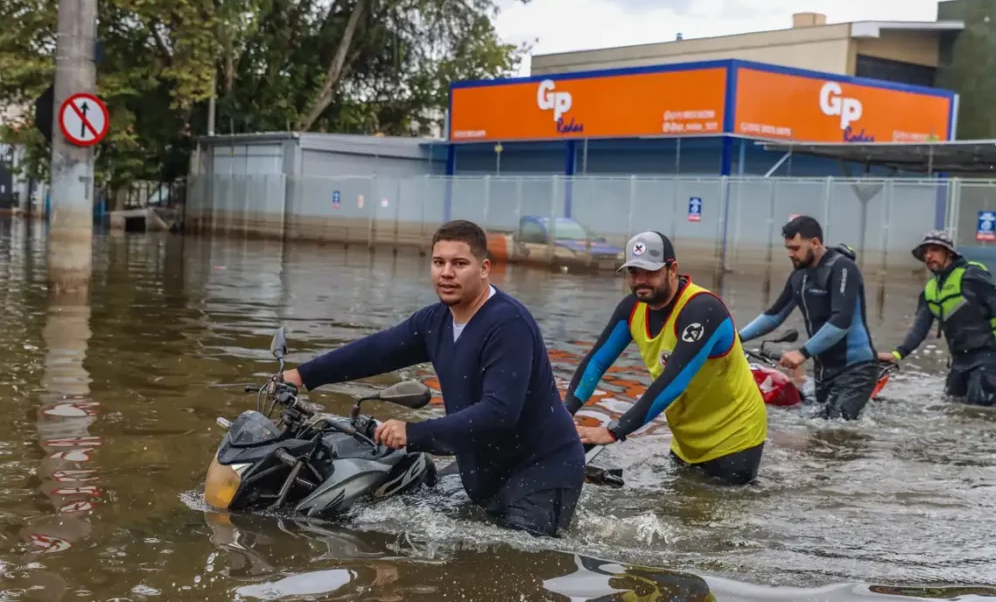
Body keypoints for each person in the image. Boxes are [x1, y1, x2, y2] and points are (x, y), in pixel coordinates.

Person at [279, 220, 585, 537]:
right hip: (485, 470)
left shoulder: (508, 324)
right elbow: (375, 351)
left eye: (459, 263)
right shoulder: (434, 321)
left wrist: (413, 433)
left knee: (508, 569)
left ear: (484, 269)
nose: (446, 273)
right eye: (439, 262)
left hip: (540, 473)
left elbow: (499, 412)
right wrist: (302, 375)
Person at [565, 230, 767, 485]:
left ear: (672, 269)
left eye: (650, 272)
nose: (640, 281)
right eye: (634, 272)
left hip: (736, 437)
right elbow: (596, 362)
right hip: (687, 439)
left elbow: (673, 381)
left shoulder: (703, 309)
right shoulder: (631, 308)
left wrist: (614, 431)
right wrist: (563, 414)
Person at [737, 216, 879, 420]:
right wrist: (735, 339)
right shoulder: (799, 276)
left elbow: (841, 321)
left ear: (815, 242)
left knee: (838, 430)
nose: (790, 254)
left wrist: (803, 352)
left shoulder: (843, 268)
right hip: (824, 370)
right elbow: (774, 316)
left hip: (856, 369)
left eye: (795, 248)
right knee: (818, 431)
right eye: (788, 248)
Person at [877, 230, 996, 406]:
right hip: (958, 360)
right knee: (952, 408)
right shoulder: (930, 291)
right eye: (925, 252)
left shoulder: (972, 275)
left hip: (988, 356)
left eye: (934, 250)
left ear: (949, 253)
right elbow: (920, 328)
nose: (928, 256)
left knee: (981, 412)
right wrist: (897, 354)